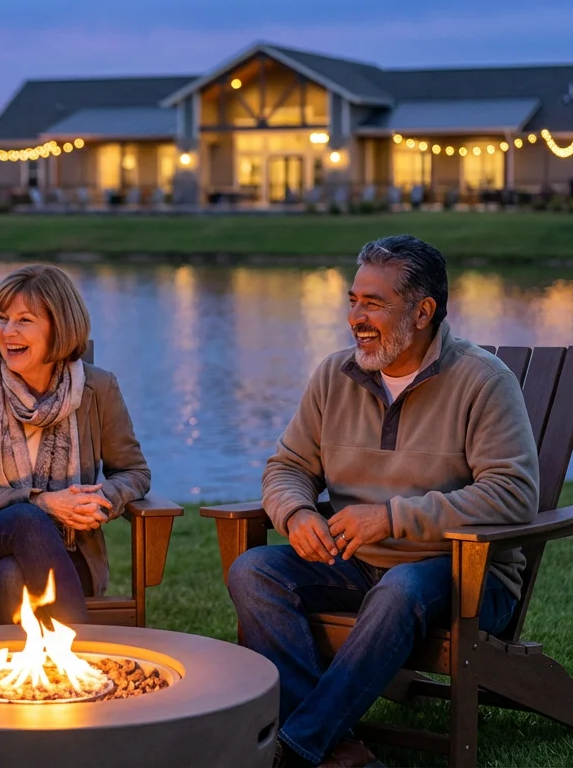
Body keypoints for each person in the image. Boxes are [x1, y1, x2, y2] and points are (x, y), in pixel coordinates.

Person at [227, 236, 539, 768]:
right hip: (355, 564)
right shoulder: (334, 376)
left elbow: (513, 493)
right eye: (353, 300)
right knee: (254, 570)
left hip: (461, 575)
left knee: (401, 588)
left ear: (423, 312)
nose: (356, 317)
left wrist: (392, 518)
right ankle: (332, 742)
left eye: (374, 303)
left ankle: (299, 746)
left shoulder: (484, 381)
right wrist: (298, 512)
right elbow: (287, 467)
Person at [0, 264, 151, 626]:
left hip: (69, 549)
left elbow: (134, 473)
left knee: (12, 575)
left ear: (59, 327)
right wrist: (42, 503)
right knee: (27, 518)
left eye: (24, 320)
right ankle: (83, 654)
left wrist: (96, 499)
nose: (7, 332)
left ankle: (10, 680)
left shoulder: (99, 390)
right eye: (2, 318)